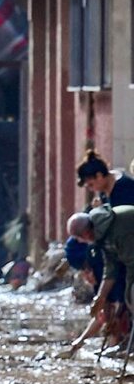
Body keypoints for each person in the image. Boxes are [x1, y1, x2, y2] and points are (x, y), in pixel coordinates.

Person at [63, 152, 134, 356]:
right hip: (117, 247)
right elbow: (110, 266)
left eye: (90, 183)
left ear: (99, 176)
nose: (89, 188)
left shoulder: (125, 189)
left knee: (129, 293)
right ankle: (122, 336)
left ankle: (126, 336)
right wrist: (101, 296)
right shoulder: (103, 196)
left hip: (128, 243)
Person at [69, 206, 134, 336]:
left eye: (79, 238)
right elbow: (110, 268)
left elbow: (131, 265)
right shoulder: (102, 234)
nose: (81, 242)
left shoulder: (117, 230)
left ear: (86, 234)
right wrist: (101, 297)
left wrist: (125, 298)